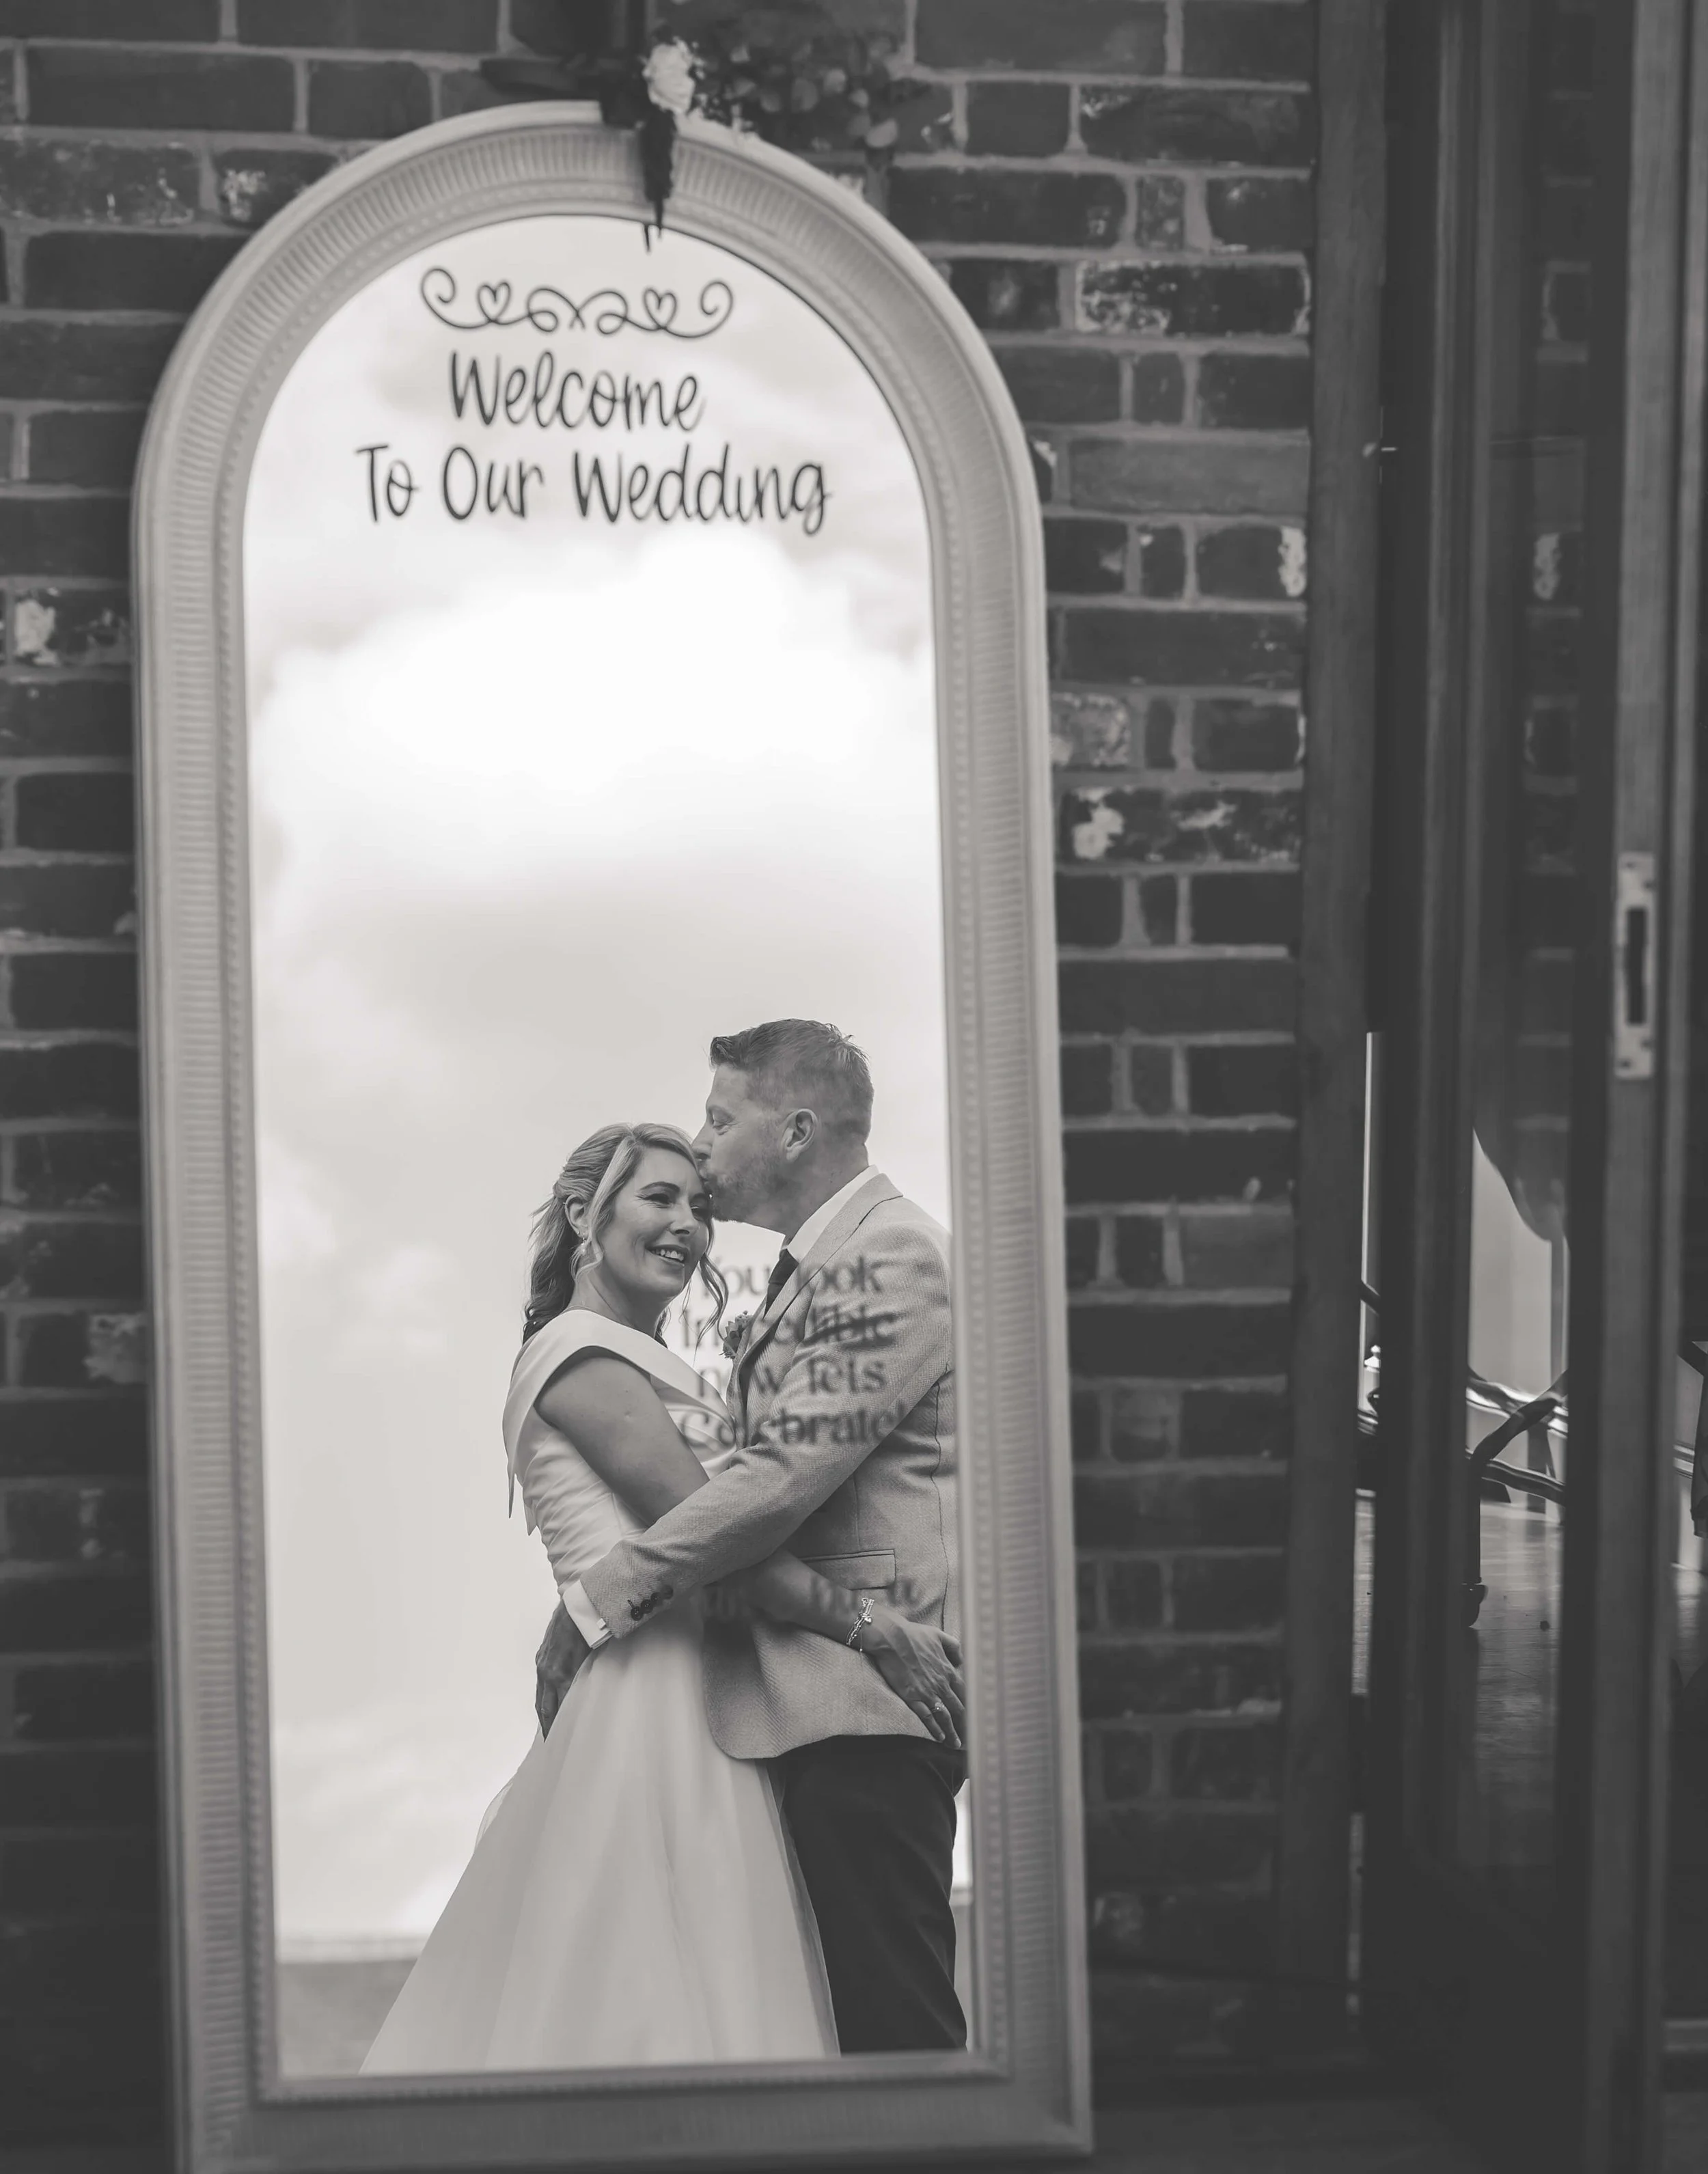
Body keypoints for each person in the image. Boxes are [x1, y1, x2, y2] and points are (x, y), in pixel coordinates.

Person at [361, 1120, 960, 2072]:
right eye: (659, 1197)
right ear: (581, 1215)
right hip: (653, 1706)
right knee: (656, 2005)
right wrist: (866, 1621)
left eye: (699, 1206)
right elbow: (709, 1538)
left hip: (724, 1698)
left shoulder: (651, 1361)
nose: (688, 1224)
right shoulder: (577, 1354)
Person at [540, 1021, 967, 2054]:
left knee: (894, 2041)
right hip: (799, 1705)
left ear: (795, 1130)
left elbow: (778, 1479)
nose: (704, 1142)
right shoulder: (817, 1267)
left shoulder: (888, 1256)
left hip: (861, 1708)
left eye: (721, 1119)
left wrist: (597, 1600)